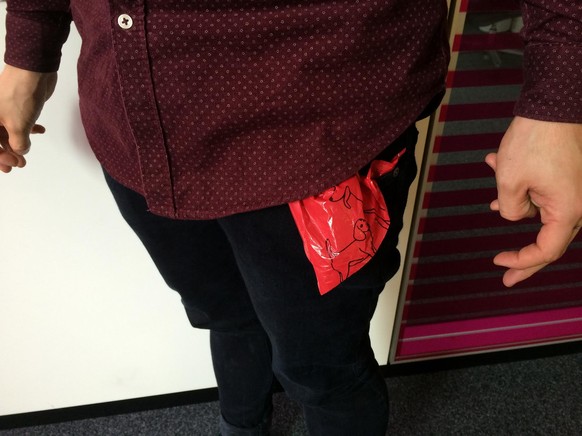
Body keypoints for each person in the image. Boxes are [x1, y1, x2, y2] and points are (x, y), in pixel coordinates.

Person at [1, 0, 581, 434]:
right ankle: (242, 425)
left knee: (321, 364)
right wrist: (29, 46)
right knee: (225, 315)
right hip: (137, 132)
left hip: (320, 146)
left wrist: (558, 104)